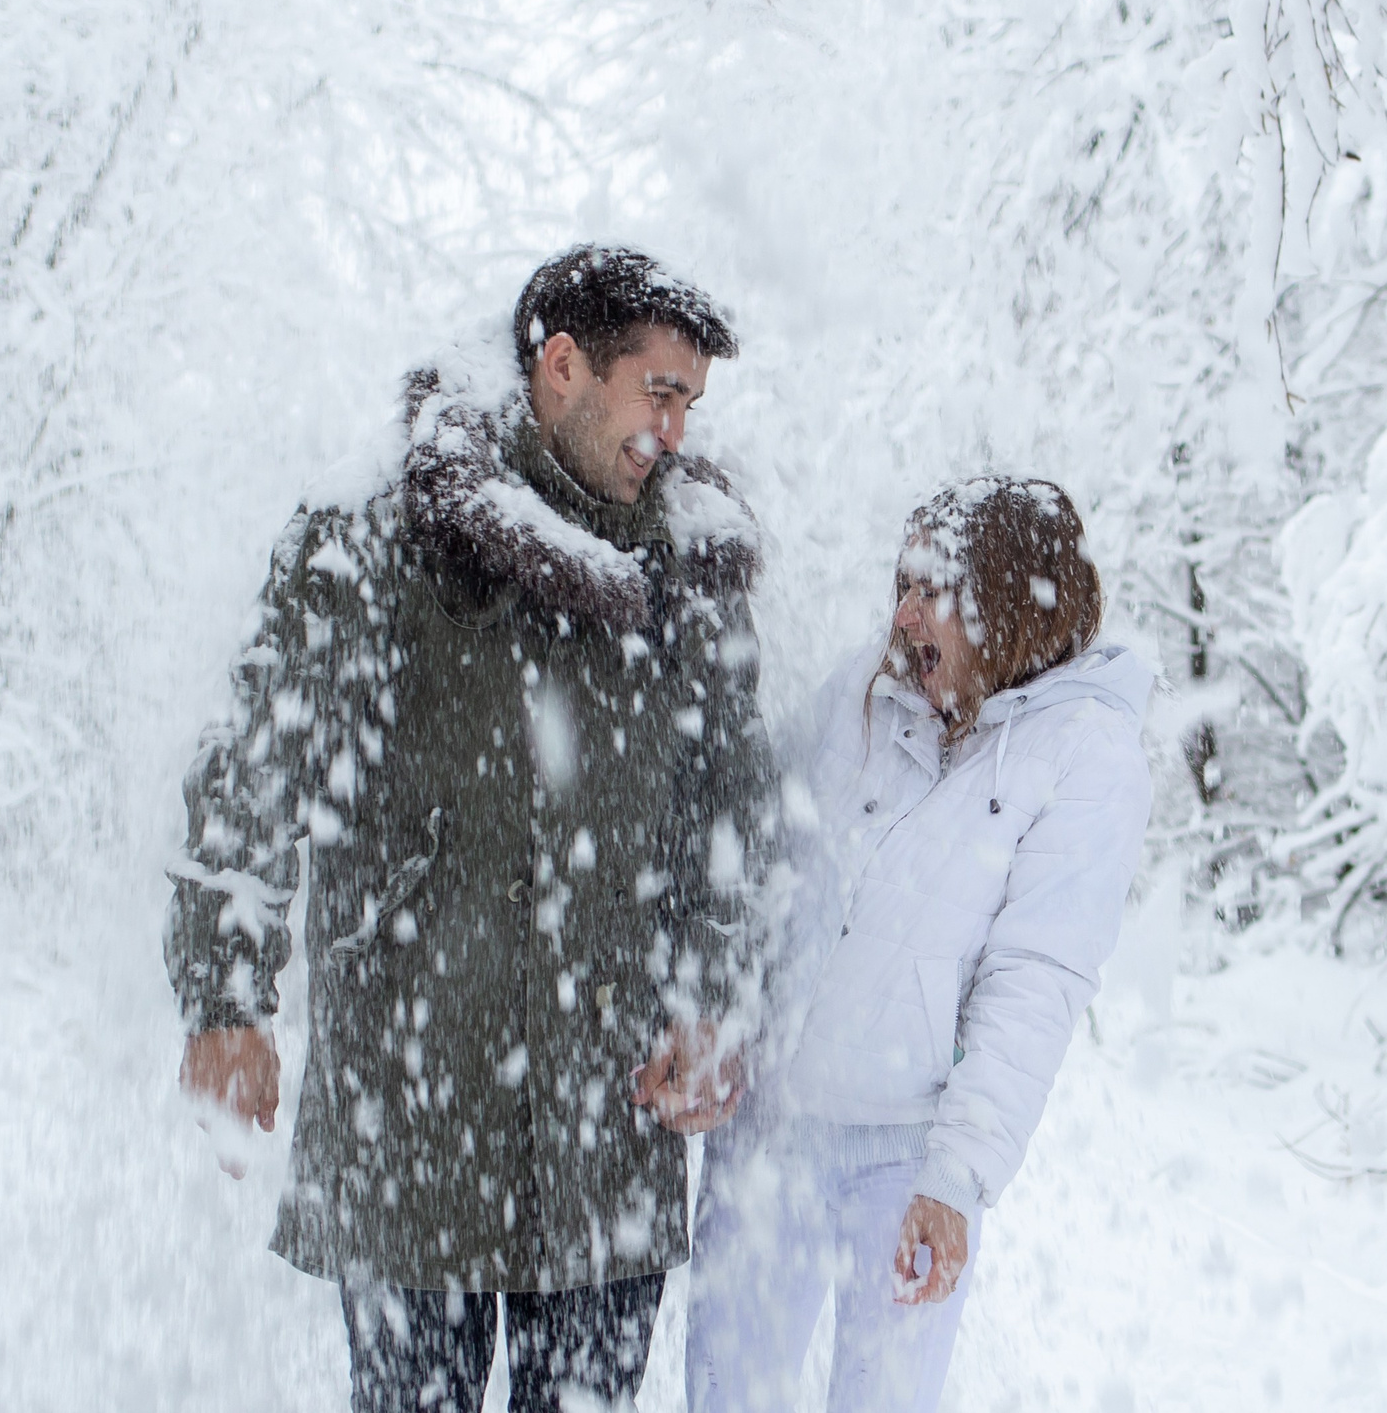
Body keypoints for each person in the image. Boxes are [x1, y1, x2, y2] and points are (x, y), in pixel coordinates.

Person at [166, 246, 773, 1412]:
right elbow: (254, 765)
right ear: (561, 367)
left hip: (610, 1114)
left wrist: (710, 992)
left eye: (691, 401)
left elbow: (729, 812)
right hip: (414, 1109)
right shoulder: (377, 535)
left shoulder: (690, 566)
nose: (678, 431)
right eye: (659, 390)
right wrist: (226, 992)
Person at [685, 476, 1155, 1413]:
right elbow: (746, 854)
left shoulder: (1086, 754)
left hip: (905, 1160)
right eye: (902, 584)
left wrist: (956, 1180)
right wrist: (719, 1016)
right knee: (727, 1395)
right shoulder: (868, 691)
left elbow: (1035, 981)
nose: (901, 614)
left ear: (1009, 607)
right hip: (771, 1124)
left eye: (929, 588)